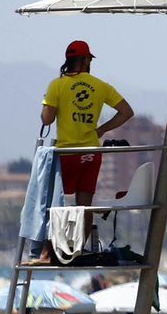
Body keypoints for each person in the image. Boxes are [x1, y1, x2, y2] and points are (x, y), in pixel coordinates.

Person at [40, 39, 135, 216]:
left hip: (67, 153)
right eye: (89, 60)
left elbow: (46, 120)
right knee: (85, 208)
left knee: (53, 206)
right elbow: (126, 112)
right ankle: (81, 243)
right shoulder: (101, 86)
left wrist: (47, 101)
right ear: (84, 60)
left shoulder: (57, 85)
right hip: (91, 152)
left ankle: (51, 244)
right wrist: (102, 130)